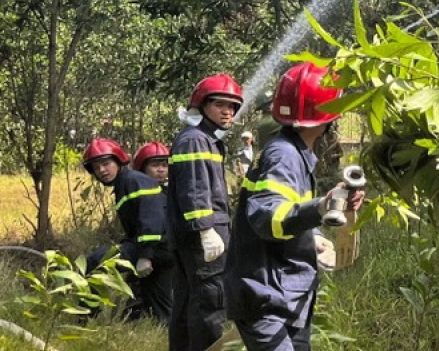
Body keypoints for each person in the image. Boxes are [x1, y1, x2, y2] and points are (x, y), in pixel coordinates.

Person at [224, 61, 364, 351]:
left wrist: (313, 236)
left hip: (284, 293)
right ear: (330, 117)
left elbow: (282, 209)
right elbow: (268, 219)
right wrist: (322, 207)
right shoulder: (284, 155)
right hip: (266, 297)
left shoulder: (295, 152)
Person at [169, 74, 242, 351]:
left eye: (232, 106)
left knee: (189, 303)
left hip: (197, 237)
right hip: (203, 240)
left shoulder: (204, 139)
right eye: (220, 104)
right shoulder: (196, 140)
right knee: (209, 305)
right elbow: (195, 188)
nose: (228, 112)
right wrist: (206, 230)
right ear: (201, 105)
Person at [83, 137, 175, 323]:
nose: (102, 170)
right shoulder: (128, 182)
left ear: (118, 161)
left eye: (106, 163)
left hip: (157, 247)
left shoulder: (131, 180)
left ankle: (85, 319)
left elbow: (151, 217)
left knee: (94, 261)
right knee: (159, 307)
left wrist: (145, 255)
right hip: (167, 248)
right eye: (96, 166)